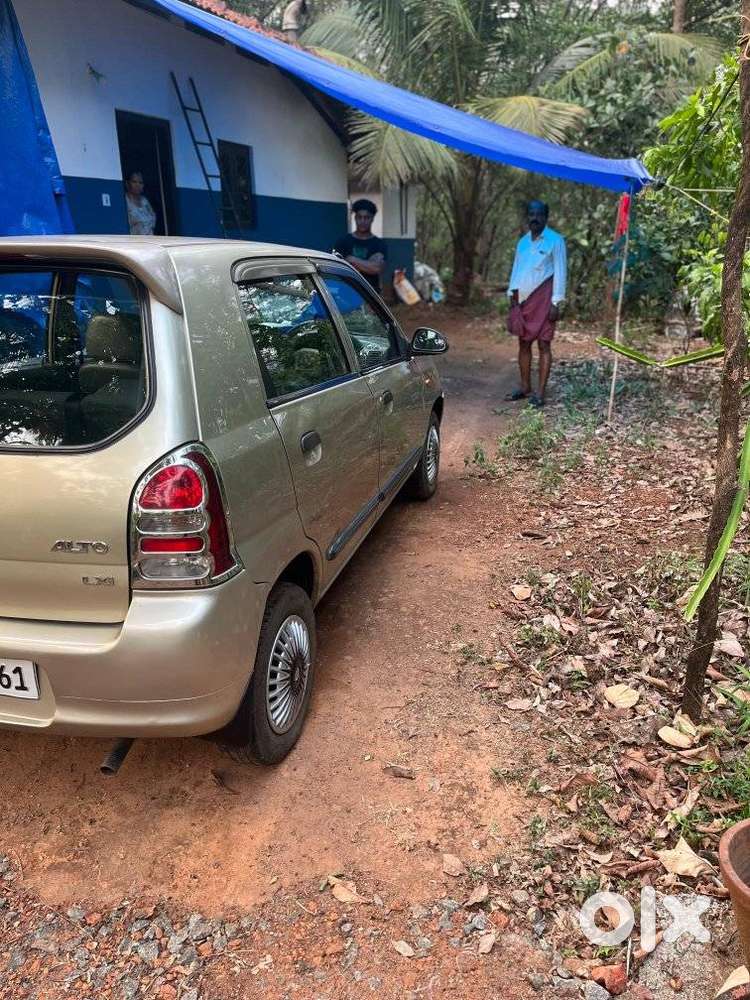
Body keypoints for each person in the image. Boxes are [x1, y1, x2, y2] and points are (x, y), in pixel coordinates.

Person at [505, 200, 567, 408]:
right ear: (527, 216)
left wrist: (556, 302)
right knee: (523, 343)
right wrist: (511, 295)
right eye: (531, 214)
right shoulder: (522, 243)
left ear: (546, 217)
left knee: (544, 344)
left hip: (545, 300)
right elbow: (517, 269)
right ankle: (525, 387)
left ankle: (540, 393)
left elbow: (560, 271)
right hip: (522, 301)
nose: (535, 218)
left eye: (539, 214)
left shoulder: (555, 241)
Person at [334, 199, 387, 292]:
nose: (362, 221)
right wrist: (368, 263)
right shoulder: (343, 242)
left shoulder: (379, 244)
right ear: (355, 218)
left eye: (366, 217)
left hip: (370, 296)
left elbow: (377, 268)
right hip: (346, 293)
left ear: (372, 219)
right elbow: (337, 269)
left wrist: (351, 259)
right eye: (359, 217)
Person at [124, 171, 156, 236]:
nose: (137, 185)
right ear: (127, 183)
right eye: (134, 182)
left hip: (150, 240)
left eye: (140, 183)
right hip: (135, 242)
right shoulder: (125, 201)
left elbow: (152, 217)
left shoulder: (145, 201)